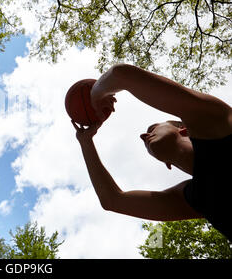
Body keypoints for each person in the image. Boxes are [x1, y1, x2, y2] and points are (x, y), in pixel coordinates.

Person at [71, 63, 232, 241]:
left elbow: (121, 74)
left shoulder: (218, 121)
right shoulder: (195, 197)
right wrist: (86, 142)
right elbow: (112, 200)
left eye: (153, 127)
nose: (143, 135)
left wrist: (96, 94)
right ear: (167, 164)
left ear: (184, 129)